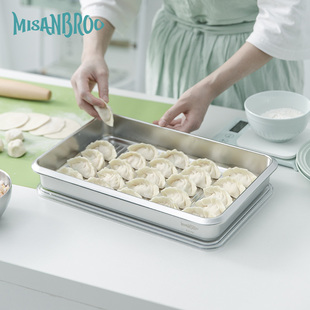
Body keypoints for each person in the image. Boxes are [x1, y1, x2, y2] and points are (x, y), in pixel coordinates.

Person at [71, 0, 310, 133]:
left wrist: (209, 87)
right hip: (174, 51)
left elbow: (285, 17)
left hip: (252, 56)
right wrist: (92, 53)